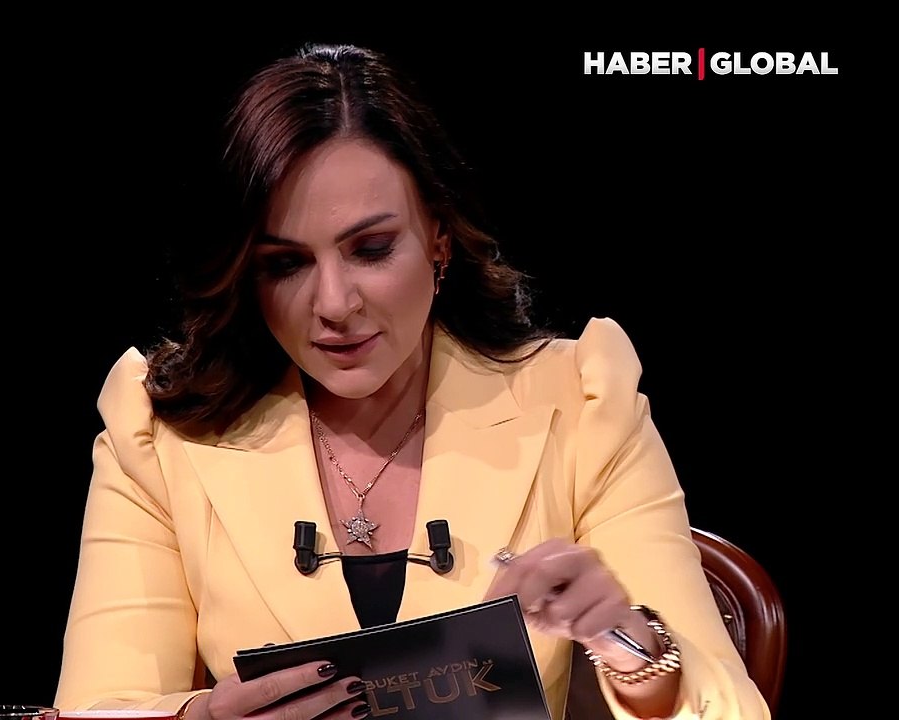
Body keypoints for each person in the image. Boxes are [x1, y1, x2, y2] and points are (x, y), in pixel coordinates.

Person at [54, 43, 769, 720]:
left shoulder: (581, 400)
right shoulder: (159, 437)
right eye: (285, 263)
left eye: (371, 249)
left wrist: (626, 644)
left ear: (439, 237)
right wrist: (201, 715)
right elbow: (96, 709)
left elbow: (727, 708)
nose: (334, 304)